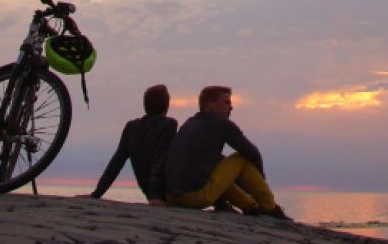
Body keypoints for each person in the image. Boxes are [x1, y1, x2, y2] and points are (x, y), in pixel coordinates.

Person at [164, 85, 288, 218]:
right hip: (195, 197)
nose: (231, 107)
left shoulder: (189, 123)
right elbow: (251, 152)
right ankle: (270, 207)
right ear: (210, 104)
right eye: (226, 102)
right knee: (241, 158)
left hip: (171, 198)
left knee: (221, 165)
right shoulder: (222, 124)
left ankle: (250, 206)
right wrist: (260, 177)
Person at [87, 84, 177, 205]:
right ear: (167, 106)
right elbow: (159, 158)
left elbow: (116, 162)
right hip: (163, 193)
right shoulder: (169, 124)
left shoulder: (131, 127)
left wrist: (97, 193)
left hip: (149, 190)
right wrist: (155, 195)